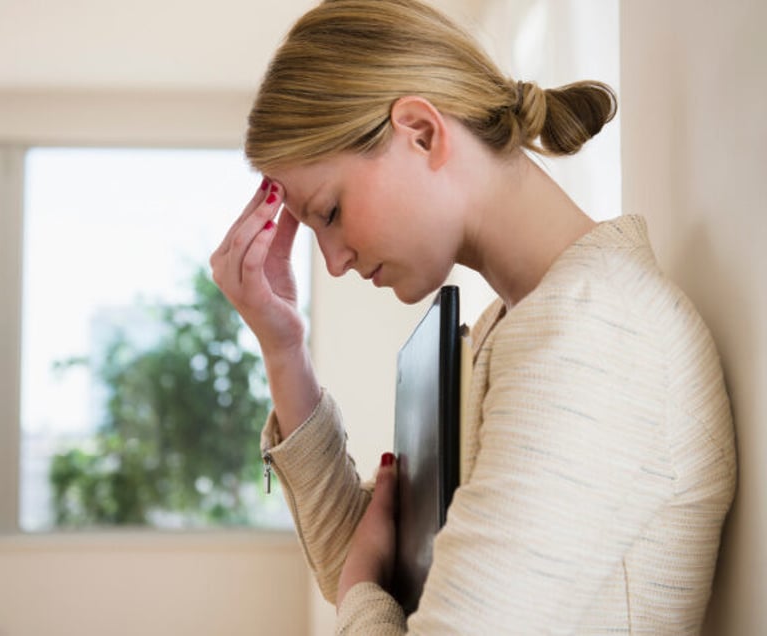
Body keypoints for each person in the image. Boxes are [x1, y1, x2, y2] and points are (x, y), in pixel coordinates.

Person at [210, 0, 737, 632]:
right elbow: (372, 569)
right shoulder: (514, 329)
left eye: (328, 213)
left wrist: (359, 591)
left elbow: (366, 591)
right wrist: (282, 347)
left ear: (423, 133)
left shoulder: (593, 335)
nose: (334, 261)